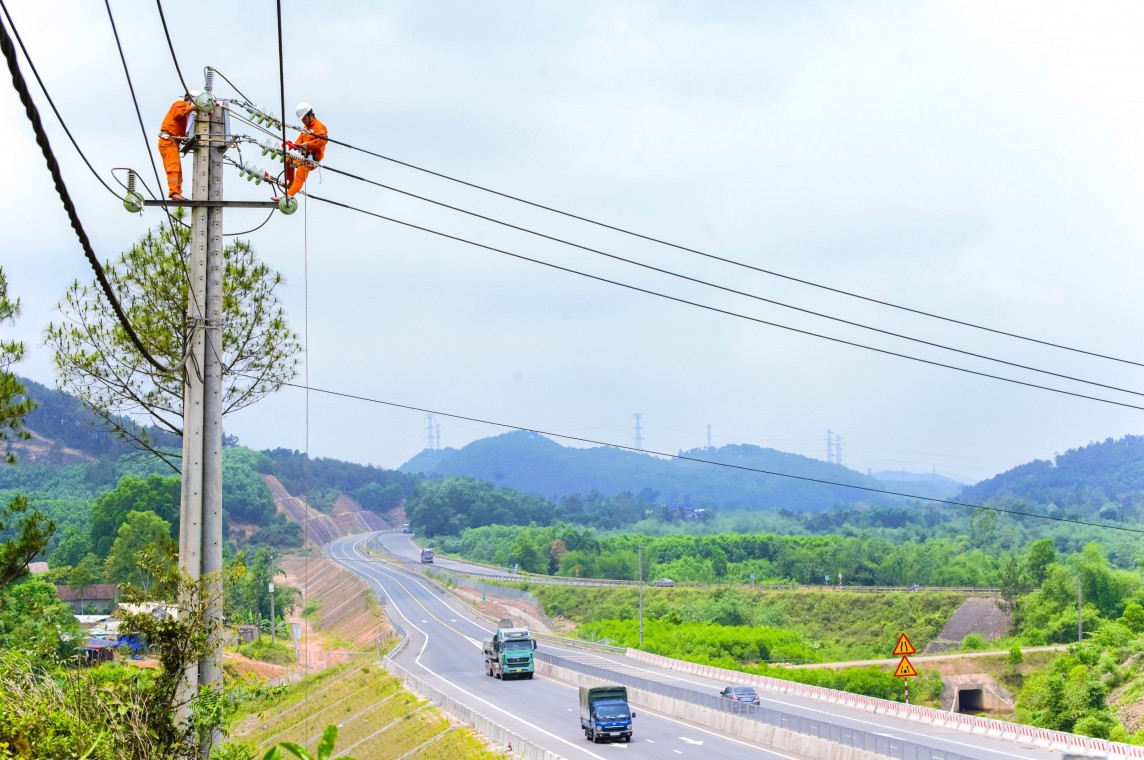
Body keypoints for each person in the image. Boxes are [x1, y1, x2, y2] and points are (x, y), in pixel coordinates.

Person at [272, 102, 328, 200]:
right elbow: (300, 139)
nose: (303, 121)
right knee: (288, 158)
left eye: (304, 119)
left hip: (312, 158)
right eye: (301, 120)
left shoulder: (320, 127)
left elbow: (323, 140)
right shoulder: (306, 128)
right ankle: (289, 182)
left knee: (300, 175)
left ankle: (286, 197)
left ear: (310, 115)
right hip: (303, 154)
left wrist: (308, 144)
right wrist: (293, 147)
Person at [157, 92, 198, 201]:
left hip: (173, 142)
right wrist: (192, 107)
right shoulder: (180, 104)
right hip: (167, 141)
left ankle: (177, 193)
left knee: (178, 172)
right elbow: (178, 113)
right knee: (173, 167)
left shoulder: (188, 115)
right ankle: (174, 192)